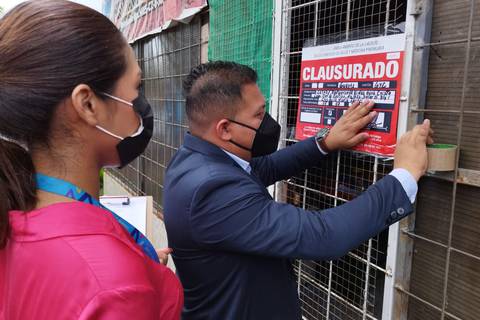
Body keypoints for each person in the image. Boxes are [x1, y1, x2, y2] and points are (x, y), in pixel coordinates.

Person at [163, 61, 433, 319]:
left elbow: (264, 168)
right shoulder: (211, 191)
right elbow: (325, 236)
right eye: (258, 114)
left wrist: (325, 142)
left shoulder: (196, 157)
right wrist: (403, 175)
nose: (268, 120)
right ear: (225, 129)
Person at [0, 1, 182, 319]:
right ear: (87, 104)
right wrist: (138, 284)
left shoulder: (14, 213)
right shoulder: (114, 284)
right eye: (136, 87)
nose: (141, 104)